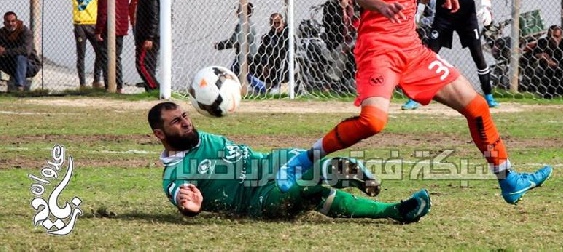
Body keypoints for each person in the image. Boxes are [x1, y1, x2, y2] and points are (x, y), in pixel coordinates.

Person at [275, 0, 551, 205]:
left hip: (412, 50)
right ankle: (301, 161)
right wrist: (382, 5)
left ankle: (508, 179)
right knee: (373, 122)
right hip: (378, 51)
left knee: (476, 107)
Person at [149, 101, 431, 223]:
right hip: (259, 198)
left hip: (270, 165)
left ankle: (341, 171)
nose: (186, 122)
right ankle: (394, 211)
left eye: (185, 116)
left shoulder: (202, 137)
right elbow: (180, 195)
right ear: (160, 134)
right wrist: (189, 207)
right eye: (177, 121)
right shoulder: (176, 172)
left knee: (300, 159)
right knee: (310, 189)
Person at [63, 0, 103, 88]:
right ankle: (82, 83)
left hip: (93, 23)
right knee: (81, 54)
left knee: (100, 51)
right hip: (80, 24)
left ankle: (96, 80)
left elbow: (99, 0)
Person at [214, 3, 265, 94]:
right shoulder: (250, 23)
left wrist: (219, 45)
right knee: (245, 75)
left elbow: (233, 41)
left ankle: (220, 90)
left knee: (233, 75)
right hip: (249, 55)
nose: (236, 12)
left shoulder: (242, 25)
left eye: (238, 10)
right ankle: (263, 89)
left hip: (245, 56)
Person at [95, 0, 130, 93]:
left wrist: (98, 31)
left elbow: (103, 13)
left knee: (105, 57)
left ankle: (109, 85)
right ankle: (119, 86)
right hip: (120, 29)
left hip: (107, 29)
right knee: (117, 57)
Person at [322, 0, 359, 90]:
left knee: (352, 49)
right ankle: (333, 80)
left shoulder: (357, 4)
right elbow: (329, 25)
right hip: (338, 41)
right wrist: (340, 9)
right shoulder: (331, 5)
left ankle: (332, 80)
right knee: (342, 53)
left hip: (356, 39)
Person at [532, 25, 563, 98]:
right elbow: (534, 54)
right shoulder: (542, 42)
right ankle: (544, 93)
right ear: (549, 35)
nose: (555, 39)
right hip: (546, 68)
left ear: (562, 35)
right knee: (539, 70)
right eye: (553, 36)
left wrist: (556, 64)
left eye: (557, 37)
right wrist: (539, 55)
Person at [0, 11, 41, 91]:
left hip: (30, 66)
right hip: (11, 64)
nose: (10, 24)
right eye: (8, 21)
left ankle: (20, 88)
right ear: (4, 23)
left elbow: (26, 50)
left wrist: (5, 52)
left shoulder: (25, 32)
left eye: (13, 21)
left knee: (20, 57)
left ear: (17, 21)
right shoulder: (2, 33)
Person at [134, 0, 160, 91]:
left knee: (141, 64)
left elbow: (154, 18)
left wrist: (150, 37)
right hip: (143, 35)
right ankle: (151, 88)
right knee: (146, 64)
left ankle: (154, 87)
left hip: (148, 37)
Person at [253, 13, 290, 93]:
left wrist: (268, 62)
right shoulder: (268, 37)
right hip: (270, 66)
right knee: (250, 62)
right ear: (270, 24)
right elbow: (260, 53)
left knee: (280, 59)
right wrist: (264, 64)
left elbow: (284, 51)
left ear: (282, 23)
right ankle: (260, 87)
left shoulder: (288, 35)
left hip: (284, 64)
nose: (276, 25)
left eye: (278, 23)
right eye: (274, 23)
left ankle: (280, 85)